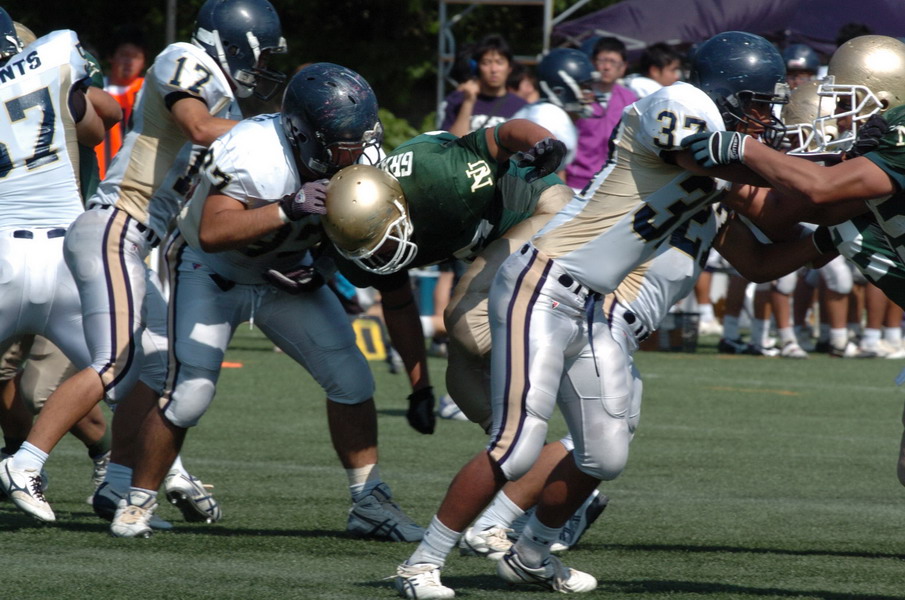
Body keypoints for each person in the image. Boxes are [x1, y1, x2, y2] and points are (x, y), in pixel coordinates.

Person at [391, 30, 791, 598]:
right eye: (759, 103)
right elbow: (724, 162)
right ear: (726, 93)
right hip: (542, 281)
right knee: (516, 446)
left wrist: (850, 209)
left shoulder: (719, 153)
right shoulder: (678, 105)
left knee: (605, 452)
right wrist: (805, 166)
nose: (767, 118)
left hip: (592, 306)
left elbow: (776, 215)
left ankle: (531, 555)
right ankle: (422, 563)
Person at [0, 0, 288, 524]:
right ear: (233, 43)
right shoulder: (184, 59)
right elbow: (197, 127)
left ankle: (117, 485)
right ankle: (25, 463)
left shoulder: (226, 102)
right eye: (260, 54)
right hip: (114, 226)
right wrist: (278, 130)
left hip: (137, 240)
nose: (262, 66)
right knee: (112, 362)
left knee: (156, 370)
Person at [109, 63, 421, 542]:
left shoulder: (364, 155)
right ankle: (137, 501)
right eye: (342, 143)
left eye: (359, 139)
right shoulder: (252, 149)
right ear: (303, 133)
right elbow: (212, 232)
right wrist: (287, 207)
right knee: (190, 393)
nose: (355, 152)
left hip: (284, 276)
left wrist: (321, 268)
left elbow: (349, 233)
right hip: (212, 272)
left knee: (352, 379)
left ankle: (368, 501)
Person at [679, 34, 905, 486]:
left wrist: (742, 150)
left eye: (847, 103)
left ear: (885, 100)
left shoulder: (899, 133)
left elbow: (818, 191)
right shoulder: (868, 188)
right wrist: (715, 185)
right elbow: (782, 228)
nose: (839, 117)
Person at [322, 118, 573, 437]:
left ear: (396, 207)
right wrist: (420, 389)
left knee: (463, 320)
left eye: (381, 241)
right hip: (501, 245)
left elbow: (504, 135)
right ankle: (512, 443)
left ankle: (570, 346)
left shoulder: (440, 176)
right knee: (461, 379)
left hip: (545, 210)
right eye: (366, 250)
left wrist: (544, 142)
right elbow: (399, 306)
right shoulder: (361, 245)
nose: (379, 255)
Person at [0, 9, 116, 521]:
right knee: (119, 366)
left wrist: (73, 96)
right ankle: (21, 460)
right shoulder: (52, 54)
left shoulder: (50, 68)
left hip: (51, 245)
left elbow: (101, 119)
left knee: (49, 388)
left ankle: (121, 465)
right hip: (51, 250)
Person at [564, 36, 637, 192]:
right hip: (575, 182)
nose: (607, 67)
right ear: (592, 62)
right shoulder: (577, 96)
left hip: (611, 184)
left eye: (613, 62)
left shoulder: (630, 100)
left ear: (623, 67)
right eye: (602, 60)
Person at [511, 48, 597, 177]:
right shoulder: (549, 116)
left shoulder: (547, 111)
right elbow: (534, 175)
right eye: (583, 87)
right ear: (559, 91)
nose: (590, 94)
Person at [440, 34, 527, 137]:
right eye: (486, 63)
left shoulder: (521, 107)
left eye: (499, 62)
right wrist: (468, 102)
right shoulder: (455, 101)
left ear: (509, 68)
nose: (494, 69)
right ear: (477, 67)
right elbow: (449, 143)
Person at [94, 25, 147, 179]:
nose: (129, 62)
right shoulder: (95, 90)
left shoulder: (146, 91)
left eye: (136, 57)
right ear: (111, 56)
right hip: (98, 175)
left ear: (144, 62)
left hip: (131, 179)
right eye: (124, 55)